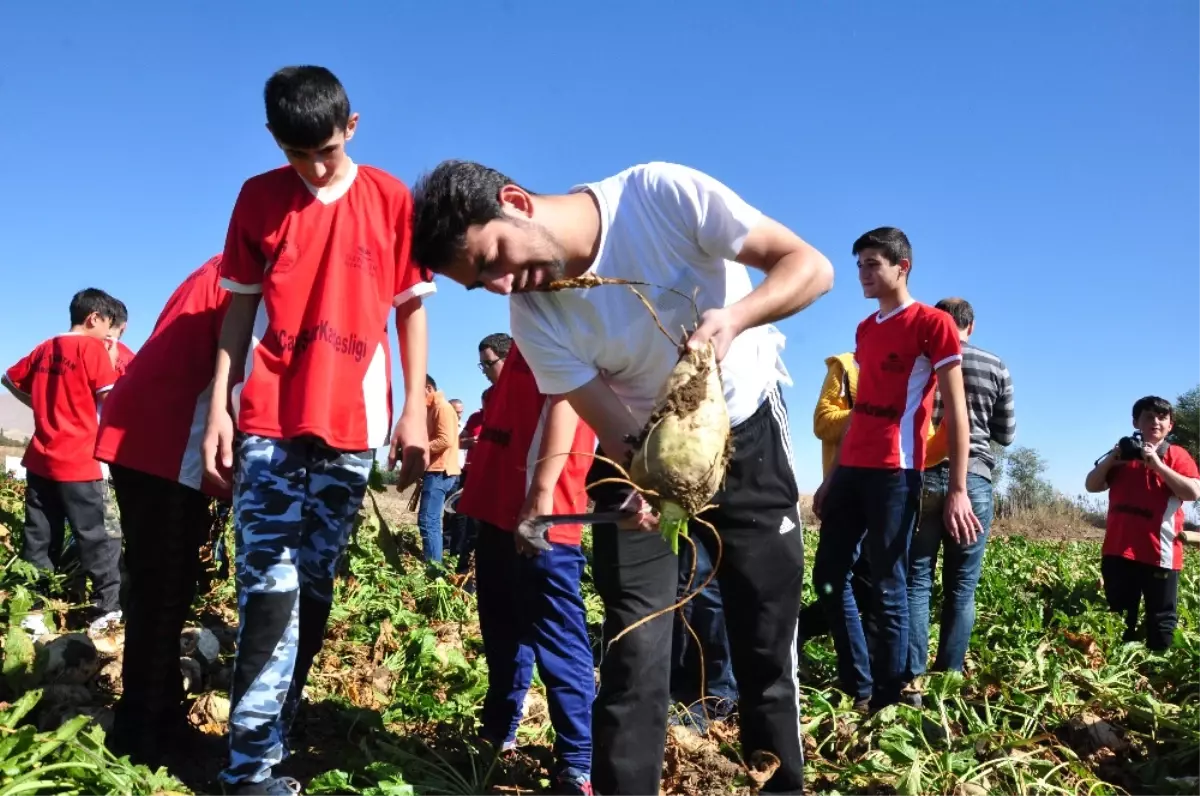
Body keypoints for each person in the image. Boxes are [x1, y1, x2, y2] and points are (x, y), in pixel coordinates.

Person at [411, 159, 834, 796]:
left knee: (764, 642)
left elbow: (812, 267)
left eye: (492, 257)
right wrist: (641, 479)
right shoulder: (536, 317)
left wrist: (737, 317)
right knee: (634, 648)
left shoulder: (657, 196)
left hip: (743, 429)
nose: (501, 286)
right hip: (639, 451)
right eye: (481, 283)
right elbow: (616, 430)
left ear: (514, 202)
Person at [200, 65, 434, 796]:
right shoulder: (258, 198)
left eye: (326, 151)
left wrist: (413, 410)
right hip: (268, 412)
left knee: (316, 583)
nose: (315, 167)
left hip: (354, 422)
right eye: (299, 154)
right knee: (267, 587)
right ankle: (250, 769)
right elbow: (237, 309)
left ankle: (278, 713)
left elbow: (411, 307)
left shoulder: (392, 198)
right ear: (275, 142)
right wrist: (219, 405)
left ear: (353, 127)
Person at [812, 227, 980, 713]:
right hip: (852, 470)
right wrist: (832, 477)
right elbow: (862, 409)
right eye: (859, 265)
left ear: (901, 267)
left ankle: (891, 695)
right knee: (828, 574)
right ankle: (858, 682)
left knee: (888, 583)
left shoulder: (933, 324)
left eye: (872, 264)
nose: (863, 274)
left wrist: (958, 489)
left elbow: (957, 411)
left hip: (896, 471)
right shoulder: (865, 329)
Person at [94, 255, 232, 767]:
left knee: (159, 592)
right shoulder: (245, 273)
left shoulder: (213, 268)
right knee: (164, 593)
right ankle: (147, 738)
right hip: (168, 441)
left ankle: (149, 722)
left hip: (147, 432)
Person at [456, 341, 598, 795]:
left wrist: (539, 498)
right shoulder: (526, 325)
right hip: (499, 508)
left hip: (542, 514)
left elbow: (569, 400)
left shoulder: (564, 318)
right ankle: (500, 731)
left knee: (558, 638)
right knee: (503, 631)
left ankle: (577, 762)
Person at [904, 298, 1015, 700]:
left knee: (916, 581)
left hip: (921, 475)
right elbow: (1006, 434)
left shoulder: (921, 360)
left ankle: (912, 680)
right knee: (961, 587)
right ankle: (947, 680)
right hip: (975, 479)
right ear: (972, 325)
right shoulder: (994, 364)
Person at [2, 288, 122, 637]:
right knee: (99, 537)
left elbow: (9, 378)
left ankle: (33, 611)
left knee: (39, 537)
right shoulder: (91, 348)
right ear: (93, 318)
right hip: (81, 460)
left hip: (41, 458)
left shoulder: (44, 347)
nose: (109, 334)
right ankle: (106, 612)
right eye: (108, 326)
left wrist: (41, 407)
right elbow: (110, 400)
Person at [1085, 396, 1200, 650]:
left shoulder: (1176, 455)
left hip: (1160, 552)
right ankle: (1119, 670)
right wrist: (1111, 459)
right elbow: (1092, 485)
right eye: (1148, 416)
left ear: (1171, 425)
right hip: (1118, 551)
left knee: (1161, 619)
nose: (1155, 422)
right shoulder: (1122, 455)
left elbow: (1192, 492)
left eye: (1162, 418)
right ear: (1136, 422)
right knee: (1118, 617)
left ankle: (1159, 673)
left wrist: (1157, 465)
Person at [799, 352, 875, 646]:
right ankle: (804, 626)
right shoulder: (845, 367)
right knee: (835, 577)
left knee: (872, 583)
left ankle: (866, 660)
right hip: (846, 489)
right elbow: (822, 422)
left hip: (887, 490)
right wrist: (865, 414)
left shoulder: (908, 368)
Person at [419, 375, 461, 565]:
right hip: (436, 470)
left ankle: (434, 568)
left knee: (428, 521)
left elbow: (445, 440)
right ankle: (434, 562)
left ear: (428, 388)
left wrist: (419, 449)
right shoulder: (433, 408)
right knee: (431, 520)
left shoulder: (442, 408)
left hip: (440, 471)